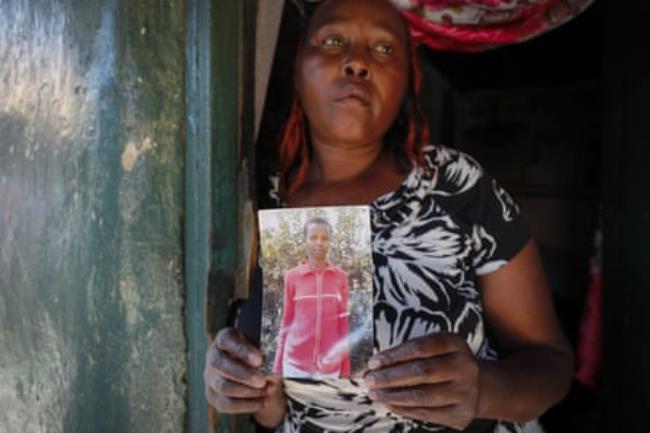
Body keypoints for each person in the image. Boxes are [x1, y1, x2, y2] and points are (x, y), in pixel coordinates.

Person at [204, 0, 574, 432]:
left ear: (407, 82)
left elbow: (552, 364)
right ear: (297, 65)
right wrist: (247, 391)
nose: (357, 62)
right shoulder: (256, 203)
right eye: (334, 40)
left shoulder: (455, 186)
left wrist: (484, 390)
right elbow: (285, 412)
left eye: (383, 50)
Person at [272, 217, 351, 379]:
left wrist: (346, 367)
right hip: (294, 366)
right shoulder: (292, 276)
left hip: (329, 368)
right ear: (305, 240)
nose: (319, 243)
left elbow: (343, 324)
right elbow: (287, 321)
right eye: (313, 237)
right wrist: (278, 365)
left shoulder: (340, 277)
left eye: (325, 238)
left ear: (330, 242)